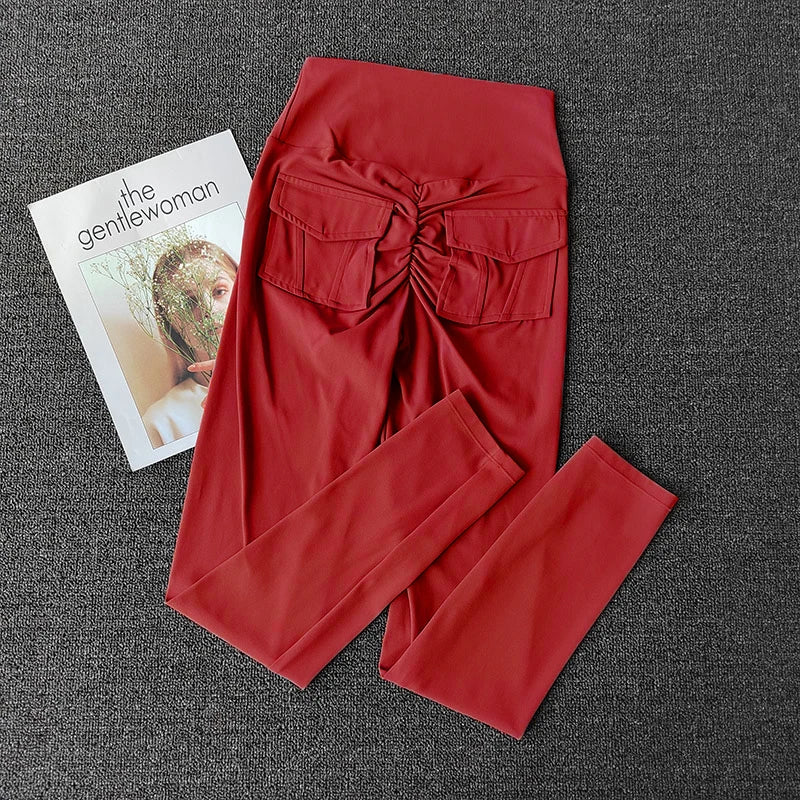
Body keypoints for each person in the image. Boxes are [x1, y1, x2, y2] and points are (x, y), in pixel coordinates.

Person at [142, 239, 237, 447]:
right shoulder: (161, 423)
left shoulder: (296, 366)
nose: (208, 310)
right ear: (171, 323)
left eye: (219, 291)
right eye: (189, 302)